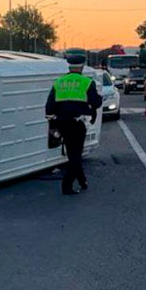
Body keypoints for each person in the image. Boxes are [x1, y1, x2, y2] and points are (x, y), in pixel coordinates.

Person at [45, 55, 103, 195]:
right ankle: (67, 185)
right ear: (82, 66)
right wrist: (99, 97)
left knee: (72, 154)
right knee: (76, 155)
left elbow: (49, 106)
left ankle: (82, 181)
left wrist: (52, 123)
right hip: (77, 123)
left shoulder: (59, 82)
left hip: (61, 123)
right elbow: (96, 103)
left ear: (69, 66)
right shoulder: (87, 82)